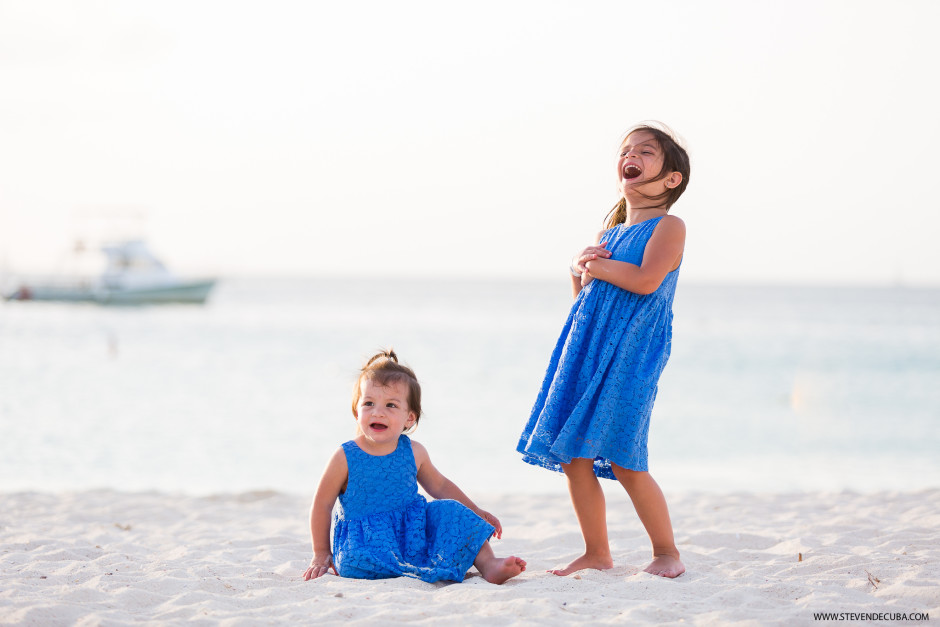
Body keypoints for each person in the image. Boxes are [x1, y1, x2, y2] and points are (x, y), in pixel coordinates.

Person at [517, 122, 690, 579]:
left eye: (646, 152)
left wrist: (596, 264)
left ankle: (666, 551)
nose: (630, 155)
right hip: (586, 350)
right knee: (573, 456)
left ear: (671, 178)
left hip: (631, 355)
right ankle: (597, 552)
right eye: (625, 150)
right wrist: (579, 271)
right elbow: (586, 305)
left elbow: (647, 281)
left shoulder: (669, 226)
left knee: (624, 456)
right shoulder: (609, 234)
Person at [303, 349, 527, 584]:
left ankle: (489, 564)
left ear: (409, 418)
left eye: (390, 405)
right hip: (365, 542)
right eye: (368, 403)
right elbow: (322, 503)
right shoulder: (345, 456)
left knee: (451, 510)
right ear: (356, 411)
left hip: (413, 535)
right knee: (357, 561)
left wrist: (476, 511)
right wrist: (320, 552)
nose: (378, 411)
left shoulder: (414, 451)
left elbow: (439, 485)